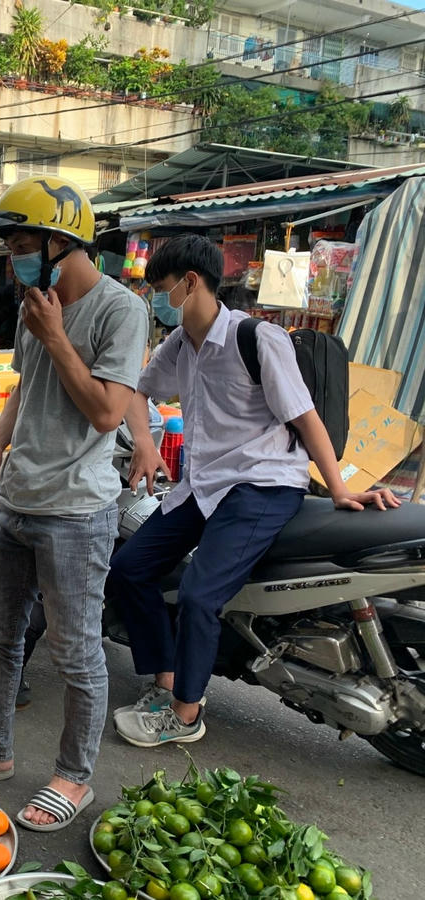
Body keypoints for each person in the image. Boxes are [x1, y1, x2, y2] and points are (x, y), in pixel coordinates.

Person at [107, 234, 400, 748]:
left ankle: (185, 714)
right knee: (131, 571)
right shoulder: (179, 345)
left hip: (262, 484)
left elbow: (305, 418)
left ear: (189, 283)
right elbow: (136, 390)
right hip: (203, 486)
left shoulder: (258, 338)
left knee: (200, 595)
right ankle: (166, 681)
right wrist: (146, 449)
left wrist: (340, 488)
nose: (153, 297)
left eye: (158, 287)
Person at [0, 176, 148, 833]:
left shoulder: (119, 310)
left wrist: (56, 335)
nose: (11, 259)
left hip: (79, 510)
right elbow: (28, 388)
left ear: (60, 241)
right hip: (21, 497)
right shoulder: (36, 301)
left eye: (20, 245)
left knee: (77, 655)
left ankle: (73, 778)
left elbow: (110, 411)